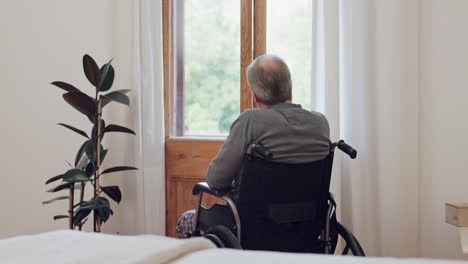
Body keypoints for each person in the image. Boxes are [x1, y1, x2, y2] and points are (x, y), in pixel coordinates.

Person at [176, 54, 331, 238]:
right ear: (289, 86)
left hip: (253, 228)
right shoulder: (320, 123)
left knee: (186, 220)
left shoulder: (251, 121)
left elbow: (216, 180)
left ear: (255, 96)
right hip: (305, 229)